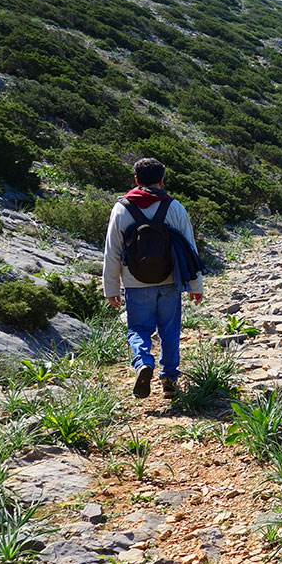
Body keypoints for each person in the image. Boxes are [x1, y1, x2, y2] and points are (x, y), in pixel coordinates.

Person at [103, 158, 204, 398]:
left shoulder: (121, 208)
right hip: (170, 280)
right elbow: (190, 248)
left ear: (136, 179)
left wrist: (111, 288)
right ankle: (169, 379)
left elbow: (112, 251)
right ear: (162, 180)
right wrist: (195, 285)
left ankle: (143, 362)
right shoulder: (174, 207)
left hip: (135, 283)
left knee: (138, 328)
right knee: (170, 330)